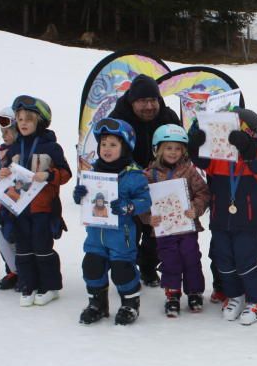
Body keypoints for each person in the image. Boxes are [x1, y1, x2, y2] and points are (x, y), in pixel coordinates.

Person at [188, 107, 257, 326]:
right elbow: (200, 162)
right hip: (220, 219)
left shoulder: (255, 157)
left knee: (247, 261)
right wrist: (196, 144)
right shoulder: (219, 157)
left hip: (247, 222)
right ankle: (234, 295)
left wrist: (247, 148)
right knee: (223, 260)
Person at [73, 118, 151, 325]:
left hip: (121, 234)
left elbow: (146, 200)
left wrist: (129, 206)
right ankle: (97, 304)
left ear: (125, 147)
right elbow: (85, 201)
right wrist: (79, 195)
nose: (106, 149)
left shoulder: (133, 175)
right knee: (92, 266)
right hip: (95, 234)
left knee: (122, 270)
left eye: (113, 145)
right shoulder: (92, 172)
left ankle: (129, 304)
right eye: (103, 144)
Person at [109, 74, 181, 287]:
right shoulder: (118, 119)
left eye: (154, 100)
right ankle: (128, 271)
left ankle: (148, 268)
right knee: (130, 232)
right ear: (132, 102)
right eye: (143, 101)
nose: (149, 106)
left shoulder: (168, 117)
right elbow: (109, 152)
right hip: (130, 185)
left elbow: (181, 148)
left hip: (161, 185)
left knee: (156, 233)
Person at [0, 96, 70, 306]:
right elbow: (4, 177)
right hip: (18, 209)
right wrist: (2, 174)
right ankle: (28, 284)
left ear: (40, 120)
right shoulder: (13, 149)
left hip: (43, 209)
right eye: (19, 119)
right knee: (23, 249)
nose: (23, 123)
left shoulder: (51, 147)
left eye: (28, 119)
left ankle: (50, 286)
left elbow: (66, 174)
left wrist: (48, 175)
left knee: (42, 247)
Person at [140, 124, 209, 317]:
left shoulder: (189, 171)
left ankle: (194, 292)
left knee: (191, 258)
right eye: (168, 148)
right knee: (170, 261)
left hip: (187, 228)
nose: (173, 152)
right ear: (158, 149)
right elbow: (142, 201)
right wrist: (148, 218)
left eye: (178, 148)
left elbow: (203, 192)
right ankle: (172, 294)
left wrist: (195, 209)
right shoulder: (149, 175)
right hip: (165, 230)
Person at [0, 107, 20, 290]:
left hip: (18, 203)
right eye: (2, 132)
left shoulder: (22, 150)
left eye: (7, 131)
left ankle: (23, 272)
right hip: (3, 204)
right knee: (5, 238)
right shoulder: (2, 152)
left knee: (18, 239)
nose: (4, 135)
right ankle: (12, 270)